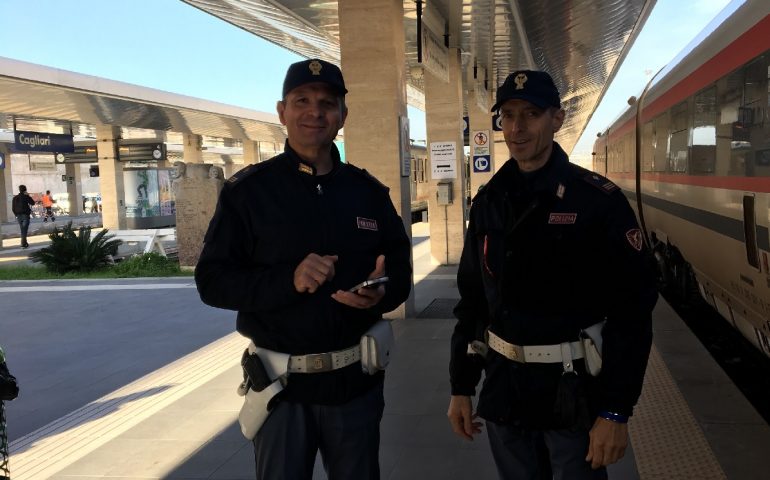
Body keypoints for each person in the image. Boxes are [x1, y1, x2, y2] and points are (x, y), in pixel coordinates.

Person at [195, 58, 412, 480]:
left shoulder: (368, 193)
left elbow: (401, 272)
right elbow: (212, 282)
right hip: (281, 391)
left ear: (342, 116)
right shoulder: (249, 194)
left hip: (355, 384)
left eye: (327, 103)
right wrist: (287, 280)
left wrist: (383, 292)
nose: (315, 111)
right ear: (282, 112)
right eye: (302, 101)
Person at [447, 70, 658, 479]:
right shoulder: (490, 202)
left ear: (557, 119)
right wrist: (461, 384)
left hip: (571, 396)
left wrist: (616, 410)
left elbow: (632, 312)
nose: (517, 128)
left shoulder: (598, 202)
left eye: (531, 114)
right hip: (505, 392)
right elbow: (473, 300)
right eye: (507, 115)